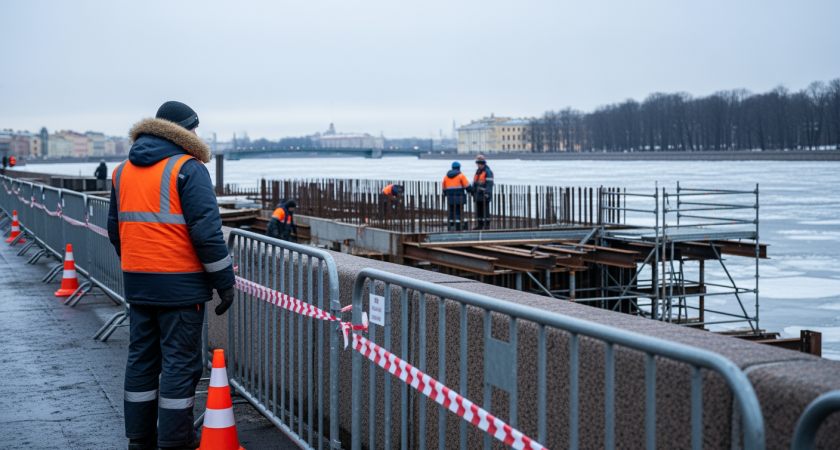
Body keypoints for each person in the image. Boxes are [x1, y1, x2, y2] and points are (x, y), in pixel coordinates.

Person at [108, 101, 235, 450]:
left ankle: (140, 438)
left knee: (141, 362)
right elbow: (207, 235)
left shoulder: (122, 171)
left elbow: (116, 232)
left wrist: (140, 267)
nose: (196, 134)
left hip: (139, 284)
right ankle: (175, 441)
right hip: (180, 288)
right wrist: (225, 283)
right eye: (194, 128)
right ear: (183, 130)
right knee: (181, 366)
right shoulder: (188, 168)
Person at [442, 161, 470, 231]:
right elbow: (467, 186)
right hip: (459, 197)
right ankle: (458, 227)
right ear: (459, 168)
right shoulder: (461, 176)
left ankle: (451, 227)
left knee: (451, 212)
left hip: (450, 198)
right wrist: (471, 191)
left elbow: (444, 188)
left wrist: (446, 194)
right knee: (459, 212)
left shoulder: (446, 177)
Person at [471, 154, 494, 230]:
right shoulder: (478, 172)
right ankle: (480, 225)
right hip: (478, 195)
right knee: (479, 211)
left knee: (486, 211)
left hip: (484, 195)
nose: (478, 166)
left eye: (478, 164)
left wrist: (486, 192)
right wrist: (473, 191)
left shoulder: (488, 172)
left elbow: (489, 184)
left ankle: (486, 225)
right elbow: (475, 183)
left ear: (482, 164)